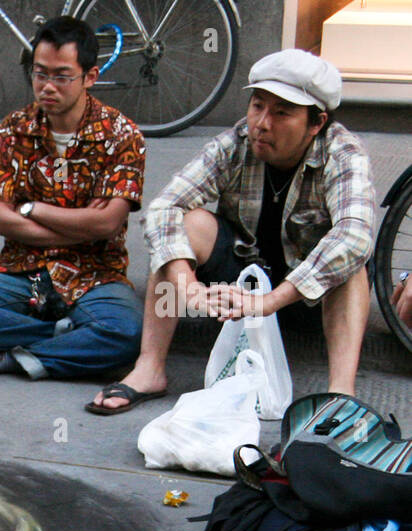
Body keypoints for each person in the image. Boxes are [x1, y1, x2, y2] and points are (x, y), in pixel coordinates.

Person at [87, 49, 375, 414]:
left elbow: (355, 234)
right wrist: (187, 286)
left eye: (281, 112)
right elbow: (164, 207)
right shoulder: (236, 143)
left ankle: (340, 393)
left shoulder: (343, 153)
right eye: (257, 106)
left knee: (352, 264)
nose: (262, 123)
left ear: (316, 123)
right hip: (241, 280)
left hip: (306, 296)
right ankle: (149, 367)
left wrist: (270, 301)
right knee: (180, 228)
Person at [0, 16, 146, 382]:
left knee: (126, 333)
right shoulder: (13, 129)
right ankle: (64, 339)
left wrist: (32, 209)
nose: (47, 86)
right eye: (39, 73)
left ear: (90, 76)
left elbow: (107, 224)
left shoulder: (123, 135)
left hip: (96, 274)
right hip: (24, 271)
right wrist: (82, 225)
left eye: (61, 76)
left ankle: (2, 360)